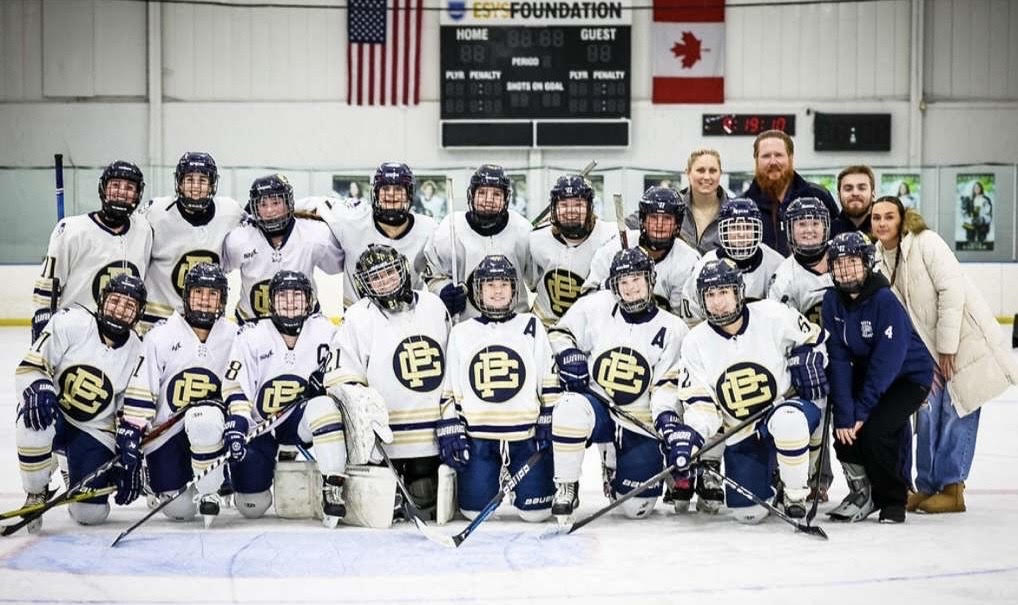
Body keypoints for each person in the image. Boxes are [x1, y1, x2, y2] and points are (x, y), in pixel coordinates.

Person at [870, 197, 1018, 513]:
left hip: (961, 342)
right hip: (926, 352)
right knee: (926, 414)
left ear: (902, 218)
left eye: (889, 217)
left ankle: (953, 487)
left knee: (957, 411)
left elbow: (952, 292)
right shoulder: (880, 257)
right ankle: (927, 485)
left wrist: (947, 347)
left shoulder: (926, 243)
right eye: (877, 218)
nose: (882, 223)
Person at [674, 259, 828, 523]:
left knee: (788, 422)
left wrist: (810, 355)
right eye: (710, 295)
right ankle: (771, 479)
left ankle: (794, 495)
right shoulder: (695, 341)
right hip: (740, 428)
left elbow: (816, 338)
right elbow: (700, 402)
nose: (717, 302)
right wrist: (695, 435)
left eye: (723, 292)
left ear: (738, 292)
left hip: (784, 406)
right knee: (749, 514)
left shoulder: (773, 314)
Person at [549, 247, 688, 519]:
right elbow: (559, 334)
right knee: (568, 406)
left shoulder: (673, 328)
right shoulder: (595, 306)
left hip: (639, 418)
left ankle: (615, 458)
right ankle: (566, 484)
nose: (631, 289)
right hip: (598, 406)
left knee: (637, 509)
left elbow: (666, 386)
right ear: (614, 286)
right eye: (623, 282)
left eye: (636, 280)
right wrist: (568, 353)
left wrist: (667, 421)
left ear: (650, 280)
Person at [324, 245, 450, 517]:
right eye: (375, 277)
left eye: (389, 272)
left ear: (403, 270)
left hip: (428, 435)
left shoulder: (433, 306)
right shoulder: (358, 316)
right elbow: (344, 376)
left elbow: (451, 361)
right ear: (364, 284)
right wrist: (363, 415)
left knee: (426, 504)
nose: (385, 281)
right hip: (382, 437)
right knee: (382, 512)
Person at [15, 274, 148, 532]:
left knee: (90, 514)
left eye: (129, 306)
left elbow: (128, 407)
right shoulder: (70, 322)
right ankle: (35, 491)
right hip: (55, 413)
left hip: (94, 430)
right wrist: (40, 386)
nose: (120, 309)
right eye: (115, 301)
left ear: (139, 314)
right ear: (101, 300)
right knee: (33, 421)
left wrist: (128, 455)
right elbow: (30, 366)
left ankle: (70, 465)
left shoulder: (138, 352)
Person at [435, 255, 558, 522]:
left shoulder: (531, 325)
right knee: (472, 512)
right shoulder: (461, 332)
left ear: (515, 289)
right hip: (478, 437)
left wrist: (548, 418)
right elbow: (450, 387)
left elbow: (548, 377)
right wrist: (450, 427)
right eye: (490, 284)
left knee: (537, 514)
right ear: (478, 291)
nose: (498, 290)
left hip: (526, 438)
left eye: (504, 283)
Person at [222, 270, 349, 527]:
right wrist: (238, 422)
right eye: (283, 296)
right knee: (252, 507)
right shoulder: (251, 336)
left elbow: (344, 373)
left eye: (297, 296)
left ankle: (332, 485)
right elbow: (236, 385)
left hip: (299, 423)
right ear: (271, 302)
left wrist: (326, 386)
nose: (290, 302)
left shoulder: (327, 332)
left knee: (324, 407)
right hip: (261, 428)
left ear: (309, 301)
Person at [822, 232, 934, 523]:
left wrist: (862, 409)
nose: (845, 270)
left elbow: (888, 362)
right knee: (844, 428)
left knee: (876, 430)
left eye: (853, 262)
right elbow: (838, 358)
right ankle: (862, 492)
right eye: (839, 263)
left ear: (867, 264)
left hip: (908, 377)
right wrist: (846, 412)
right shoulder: (832, 300)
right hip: (867, 373)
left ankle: (893, 498)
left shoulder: (884, 300)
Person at [121, 263, 236, 526]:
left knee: (204, 417)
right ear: (186, 296)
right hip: (167, 434)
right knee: (179, 511)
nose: (205, 301)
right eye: (198, 293)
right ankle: (161, 481)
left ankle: (210, 489)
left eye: (212, 294)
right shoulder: (159, 336)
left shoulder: (233, 336)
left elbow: (243, 389)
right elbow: (143, 388)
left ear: (223, 299)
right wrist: (133, 430)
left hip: (212, 431)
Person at [31, 160, 153, 342]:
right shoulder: (71, 230)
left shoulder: (143, 231)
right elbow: (47, 287)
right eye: (115, 185)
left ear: (138, 194)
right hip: (74, 337)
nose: (121, 192)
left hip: (121, 340)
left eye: (129, 187)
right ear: (103, 189)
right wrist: (41, 330)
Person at [768, 197, 836, 501]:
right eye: (801, 224)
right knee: (812, 421)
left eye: (814, 223)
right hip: (809, 365)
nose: (808, 230)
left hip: (850, 359)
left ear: (826, 227)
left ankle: (867, 482)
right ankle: (808, 478)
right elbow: (780, 332)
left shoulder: (844, 260)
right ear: (789, 230)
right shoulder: (785, 277)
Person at [141, 152, 244, 332]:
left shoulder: (230, 211)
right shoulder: (156, 212)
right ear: (179, 183)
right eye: (189, 180)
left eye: (203, 181)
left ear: (213, 184)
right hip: (157, 319)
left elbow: (262, 219)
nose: (195, 187)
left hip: (206, 320)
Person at [222, 174, 345, 323]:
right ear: (254, 207)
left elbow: (335, 266)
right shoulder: (239, 239)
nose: (269, 210)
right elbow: (221, 267)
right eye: (263, 204)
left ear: (288, 202)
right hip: (252, 326)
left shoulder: (314, 234)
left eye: (276, 202)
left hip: (305, 325)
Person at [423, 164, 532, 321]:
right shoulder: (450, 227)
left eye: (496, 194)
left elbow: (536, 278)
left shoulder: (522, 229)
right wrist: (442, 289)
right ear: (471, 195)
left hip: (516, 326)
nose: (488, 200)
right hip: (468, 327)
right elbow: (434, 274)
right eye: (482, 193)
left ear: (506, 198)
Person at [324, 162, 437, 309]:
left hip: (405, 319)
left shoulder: (428, 229)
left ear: (409, 194)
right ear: (375, 192)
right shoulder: (352, 220)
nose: (391, 194)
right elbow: (315, 206)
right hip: (359, 321)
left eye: (398, 189)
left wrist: (443, 289)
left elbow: (438, 275)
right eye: (385, 188)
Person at [584, 186, 700, 314]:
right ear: (643, 221)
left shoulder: (687, 260)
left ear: (677, 224)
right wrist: (612, 284)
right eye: (654, 218)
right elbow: (588, 297)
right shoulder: (614, 248)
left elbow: (684, 321)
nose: (659, 225)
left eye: (667, 218)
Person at [527, 174, 617, 326]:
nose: (571, 211)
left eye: (578, 204)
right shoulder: (536, 239)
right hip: (546, 324)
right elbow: (531, 281)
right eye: (563, 205)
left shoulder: (611, 237)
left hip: (591, 327)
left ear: (590, 207)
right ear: (554, 209)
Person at [679, 198, 783, 325]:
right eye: (734, 227)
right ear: (723, 230)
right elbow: (692, 319)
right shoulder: (705, 265)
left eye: (747, 227)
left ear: (757, 229)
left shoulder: (775, 263)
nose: (741, 234)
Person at [742, 130, 838, 255]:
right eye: (766, 156)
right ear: (756, 160)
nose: (773, 162)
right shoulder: (745, 205)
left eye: (778, 155)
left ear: (790, 157)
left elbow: (836, 240)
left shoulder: (818, 196)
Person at [830, 165, 875, 238]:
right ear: (839, 195)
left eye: (862, 188)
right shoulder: (828, 232)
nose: (855, 193)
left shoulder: (885, 229)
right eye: (848, 189)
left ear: (873, 194)